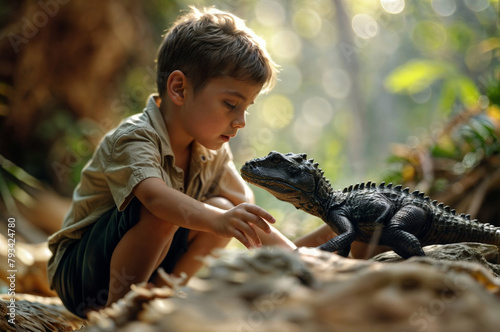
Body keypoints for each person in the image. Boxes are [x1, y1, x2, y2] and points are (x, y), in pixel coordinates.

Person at [47, 6, 295, 318]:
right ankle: (119, 317)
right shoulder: (135, 137)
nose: (241, 121)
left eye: (246, 107)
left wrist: (295, 256)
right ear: (179, 88)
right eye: (231, 104)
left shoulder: (210, 151)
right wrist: (219, 219)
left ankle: (161, 301)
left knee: (223, 206)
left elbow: (242, 208)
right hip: (81, 276)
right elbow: (155, 197)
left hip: (151, 266)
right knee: (165, 211)